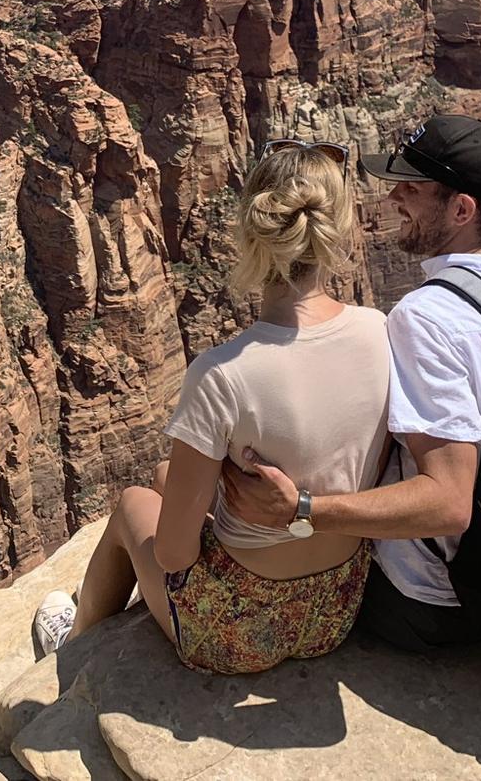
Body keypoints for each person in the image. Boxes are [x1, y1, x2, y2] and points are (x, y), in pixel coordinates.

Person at [223, 115, 481, 652]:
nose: (392, 200)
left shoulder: (426, 317)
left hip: (438, 608)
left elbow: (448, 504)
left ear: (461, 209)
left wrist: (303, 510)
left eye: (411, 188)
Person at [29, 140, 391, 674]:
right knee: (164, 474)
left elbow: (175, 556)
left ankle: (76, 647)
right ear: (337, 230)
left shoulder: (223, 374)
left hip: (237, 634)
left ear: (250, 234)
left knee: (134, 502)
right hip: (334, 609)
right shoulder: (382, 331)